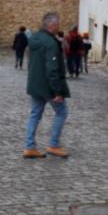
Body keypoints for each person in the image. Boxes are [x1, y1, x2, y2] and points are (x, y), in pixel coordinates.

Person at [23, 12, 70, 159]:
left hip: (35, 83)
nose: (59, 26)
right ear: (52, 25)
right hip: (48, 86)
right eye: (58, 24)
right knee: (62, 112)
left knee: (35, 114)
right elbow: (52, 69)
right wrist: (58, 91)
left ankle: (29, 146)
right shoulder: (50, 43)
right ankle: (53, 144)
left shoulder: (35, 39)